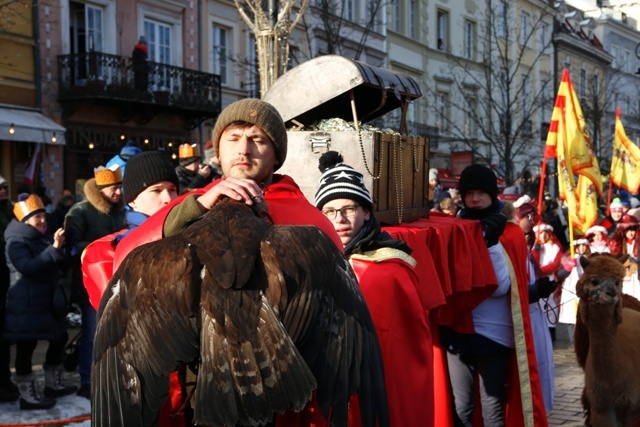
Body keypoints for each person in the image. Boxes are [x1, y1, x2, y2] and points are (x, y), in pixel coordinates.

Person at [110, 98, 342, 424]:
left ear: (277, 156)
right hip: (201, 379)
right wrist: (194, 211)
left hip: (282, 388)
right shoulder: (194, 203)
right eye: (233, 139)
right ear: (217, 153)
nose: (243, 149)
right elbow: (127, 258)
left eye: (257, 139)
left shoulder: (306, 219)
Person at [314, 151, 430, 427]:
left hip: (377, 391)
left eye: (349, 208)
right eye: (330, 211)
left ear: (366, 213)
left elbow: (404, 350)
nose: (339, 218)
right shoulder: (316, 260)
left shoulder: (389, 268)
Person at [439, 164, 547, 426]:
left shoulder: (510, 233)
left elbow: (501, 287)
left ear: (492, 194)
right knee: (461, 409)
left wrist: (491, 242)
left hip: (494, 336)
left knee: (493, 411)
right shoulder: (451, 229)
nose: (475, 199)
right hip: (458, 333)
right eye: (469, 193)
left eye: (481, 193)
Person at [4, 195, 77, 410]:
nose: (44, 221)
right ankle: (29, 396)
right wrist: (54, 248)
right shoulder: (15, 241)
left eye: (44, 216)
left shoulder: (39, 238)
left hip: (46, 303)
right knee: (27, 346)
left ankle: (53, 384)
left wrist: (66, 248)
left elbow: (56, 264)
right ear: (25, 220)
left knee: (59, 337)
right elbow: (28, 268)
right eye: (38, 218)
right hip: (25, 304)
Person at [65, 165, 126, 399]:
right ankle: (87, 382)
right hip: (89, 285)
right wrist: (104, 249)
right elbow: (71, 248)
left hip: (117, 283)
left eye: (120, 187)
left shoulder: (120, 211)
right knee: (92, 334)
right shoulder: (79, 212)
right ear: (100, 191)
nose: (118, 193)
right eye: (113, 188)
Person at [0, 175, 18, 402]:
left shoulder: (9, 210)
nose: (3, 191)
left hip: (6, 280)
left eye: (5, 187)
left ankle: (4, 380)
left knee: (3, 340)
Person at [531, 222, 564, 342]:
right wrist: (536, 251)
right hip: (536, 281)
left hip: (550, 280)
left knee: (551, 306)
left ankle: (550, 332)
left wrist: (542, 271)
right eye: (541, 233)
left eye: (545, 233)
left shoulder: (555, 247)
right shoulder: (534, 247)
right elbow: (532, 262)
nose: (543, 236)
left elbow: (556, 263)